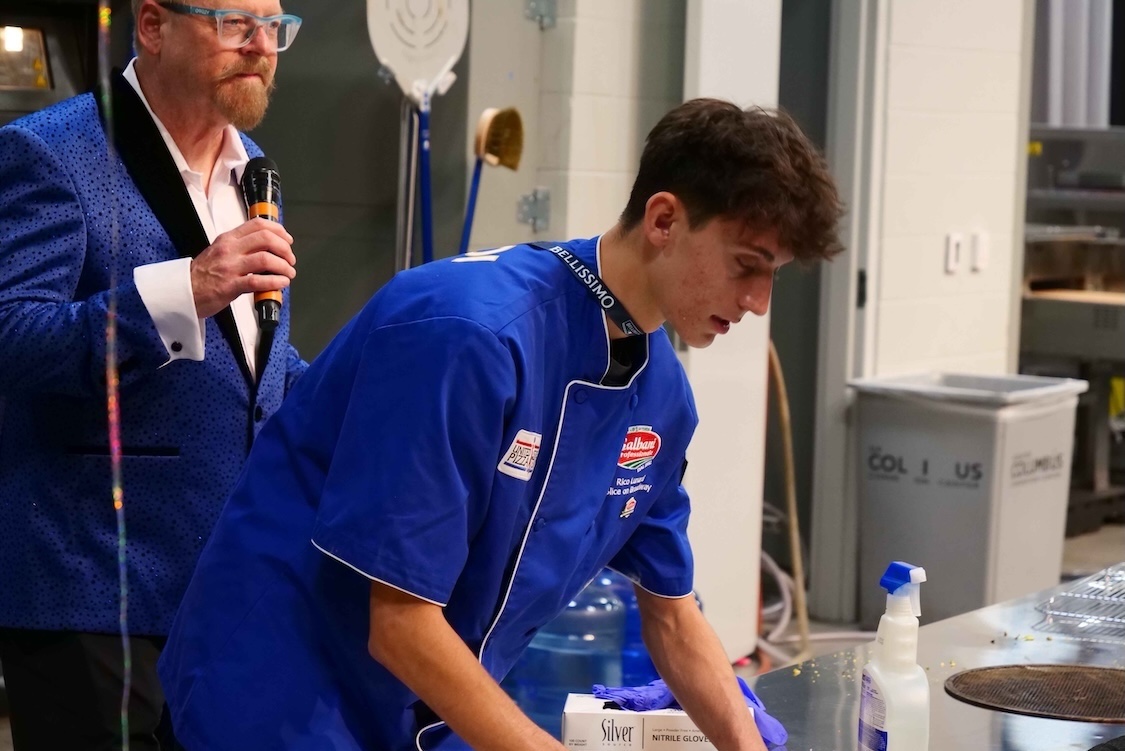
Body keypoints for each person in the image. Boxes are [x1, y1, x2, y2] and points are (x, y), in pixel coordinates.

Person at [159, 98, 844, 751]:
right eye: (745, 266)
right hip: (278, 695)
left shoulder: (660, 395)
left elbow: (671, 611)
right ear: (663, 220)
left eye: (772, 277)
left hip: (422, 711)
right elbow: (397, 623)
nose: (756, 302)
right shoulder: (469, 335)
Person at [0, 1, 307, 748]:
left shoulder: (252, 168)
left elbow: (253, 365)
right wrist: (186, 288)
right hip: (90, 582)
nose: (262, 47)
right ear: (152, 26)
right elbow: (12, 337)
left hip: (222, 585)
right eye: (236, 23)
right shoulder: (51, 152)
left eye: (277, 27)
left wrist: (345, 387)